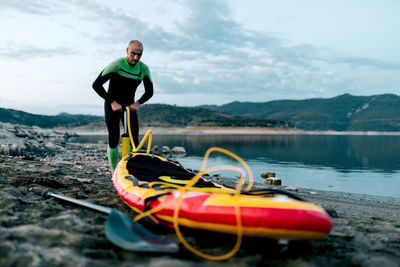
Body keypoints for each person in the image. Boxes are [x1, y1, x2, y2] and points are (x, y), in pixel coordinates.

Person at [92, 40, 153, 174]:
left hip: (129, 106)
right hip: (112, 105)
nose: (136, 58)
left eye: (139, 55)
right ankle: (114, 173)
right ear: (127, 51)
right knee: (113, 139)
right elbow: (96, 85)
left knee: (134, 141)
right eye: (133, 53)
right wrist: (112, 102)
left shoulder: (143, 68)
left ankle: (131, 171)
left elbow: (150, 92)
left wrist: (137, 103)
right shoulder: (117, 65)